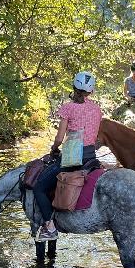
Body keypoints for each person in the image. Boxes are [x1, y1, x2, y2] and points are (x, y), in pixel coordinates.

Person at [33, 71, 102, 242]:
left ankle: (49, 227)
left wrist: (54, 148)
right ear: (91, 91)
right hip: (91, 157)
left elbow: (59, 137)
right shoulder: (96, 109)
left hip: (72, 158)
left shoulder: (68, 108)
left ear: (73, 87)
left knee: (39, 188)